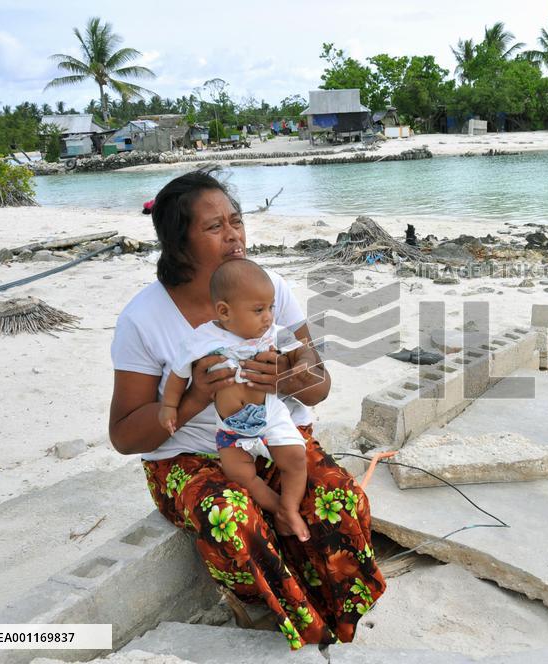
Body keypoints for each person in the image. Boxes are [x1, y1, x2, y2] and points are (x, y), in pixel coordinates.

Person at [109, 167, 385, 649]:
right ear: (178, 244)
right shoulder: (144, 318)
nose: (234, 234)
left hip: (271, 439)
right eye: (214, 227)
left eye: (236, 220)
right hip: (188, 458)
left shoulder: (267, 289)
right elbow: (124, 435)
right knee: (231, 517)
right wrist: (194, 398)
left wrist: (290, 378)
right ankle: (289, 617)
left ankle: (337, 614)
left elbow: (318, 386)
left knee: (337, 498)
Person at [159, 259, 311, 542]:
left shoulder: (272, 332)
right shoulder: (203, 339)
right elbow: (179, 374)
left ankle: (290, 506)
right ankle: (279, 510)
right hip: (230, 427)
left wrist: (300, 364)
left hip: (270, 414)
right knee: (240, 474)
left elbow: (302, 350)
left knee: (295, 458)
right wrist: (169, 406)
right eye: (259, 310)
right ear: (224, 311)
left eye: (271, 307)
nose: (268, 317)